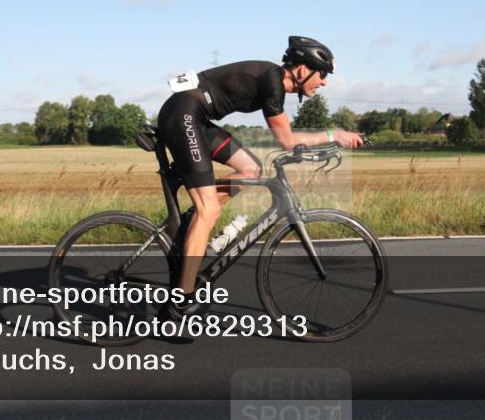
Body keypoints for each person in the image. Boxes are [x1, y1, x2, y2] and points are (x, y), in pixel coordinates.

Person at [156, 36, 364, 309]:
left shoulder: (273, 80)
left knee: (251, 170)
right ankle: (182, 299)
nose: (324, 82)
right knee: (210, 211)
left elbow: (288, 139)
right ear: (303, 70)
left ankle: (194, 219)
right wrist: (333, 135)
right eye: (322, 74)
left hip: (195, 116)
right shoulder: (272, 82)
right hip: (183, 114)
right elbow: (287, 140)